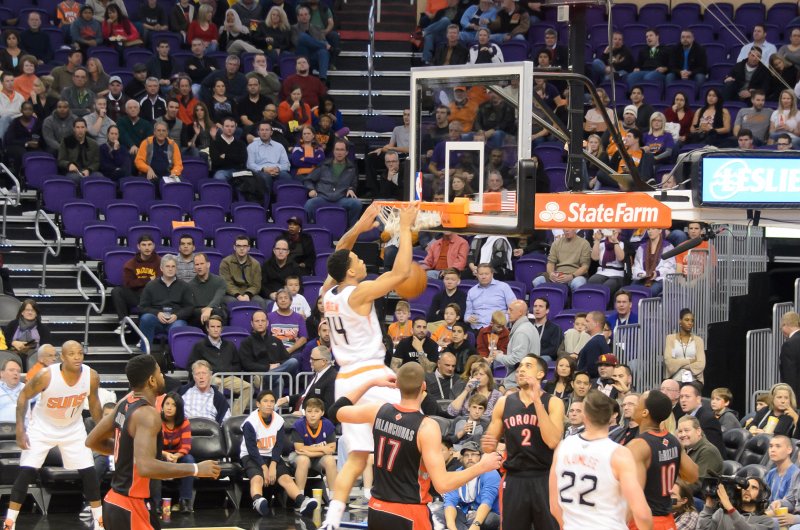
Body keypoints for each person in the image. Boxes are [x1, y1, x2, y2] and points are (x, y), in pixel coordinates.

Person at [317, 203, 418, 530]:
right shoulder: (358, 294)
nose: (362, 260)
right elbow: (401, 274)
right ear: (350, 271)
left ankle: (332, 519)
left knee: (359, 456)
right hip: (374, 378)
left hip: (345, 380)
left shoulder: (326, 293)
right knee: (409, 439)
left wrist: (360, 225)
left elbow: (340, 250)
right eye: (358, 260)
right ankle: (416, 507)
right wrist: (404, 227)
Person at [330, 362, 503, 530]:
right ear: (424, 386)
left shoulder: (378, 411)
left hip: (377, 508)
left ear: (397, 385)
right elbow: (442, 484)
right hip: (409, 511)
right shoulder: (426, 427)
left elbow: (334, 411)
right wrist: (481, 467)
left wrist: (371, 383)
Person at [85, 355, 220, 530]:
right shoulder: (147, 414)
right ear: (151, 380)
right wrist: (195, 469)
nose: (162, 376)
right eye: (159, 372)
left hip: (119, 502)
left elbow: (92, 441)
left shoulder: (124, 404)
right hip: (129, 506)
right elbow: (146, 467)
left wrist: (129, 452)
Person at [4, 341, 104, 530]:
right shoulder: (46, 375)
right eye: (72, 354)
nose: (77, 357)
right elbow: (23, 396)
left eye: (80, 353)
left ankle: (99, 522)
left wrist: (101, 431)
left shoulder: (91, 376)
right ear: (62, 357)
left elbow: (95, 404)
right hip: (42, 427)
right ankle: (10, 521)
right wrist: (20, 429)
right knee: (27, 470)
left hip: (73, 428)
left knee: (88, 471)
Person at [482, 354, 564, 530]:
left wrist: (536, 400)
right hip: (515, 478)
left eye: (528, 366)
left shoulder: (553, 402)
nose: (521, 370)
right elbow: (489, 445)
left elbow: (552, 441)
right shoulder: (504, 402)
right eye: (520, 367)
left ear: (541, 374)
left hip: (545, 477)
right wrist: (488, 444)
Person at [551, 390, 653, 530]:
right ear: (611, 416)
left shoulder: (562, 447)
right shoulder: (619, 454)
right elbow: (641, 513)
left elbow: (554, 506)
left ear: (585, 416)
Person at [627, 390, 699, 530]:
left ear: (645, 413)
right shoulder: (673, 440)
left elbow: (635, 497)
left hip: (644, 521)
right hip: (667, 520)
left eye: (638, 403)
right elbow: (693, 475)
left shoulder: (638, 446)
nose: (634, 406)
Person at [240, 390, 319, 517]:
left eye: (272, 401)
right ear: (258, 404)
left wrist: (272, 465)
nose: (269, 404)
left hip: (272, 456)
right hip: (251, 456)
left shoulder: (279, 420)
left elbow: (278, 446)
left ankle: (302, 502)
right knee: (257, 478)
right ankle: (258, 501)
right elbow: (251, 449)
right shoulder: (250, 422)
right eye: (265, 401)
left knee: (286, 478)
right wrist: (264, 467)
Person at [186, 315, 252, 415]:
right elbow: (191, 365)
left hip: (229, 377)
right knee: (216, 382)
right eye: (212, 327)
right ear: (207, 329)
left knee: (248, 387)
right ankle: (218, 414)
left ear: (222, 328)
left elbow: (237, 364)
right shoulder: (199, 346)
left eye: (218, 327)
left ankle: (233, 416)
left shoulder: (230, 345)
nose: (216, 329)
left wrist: (228, 371)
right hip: (210, 377)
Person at [437, 440, 500, 530]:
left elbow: (487, 502)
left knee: (490, 519)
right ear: (462, 458)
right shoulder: (458, 473)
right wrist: (452, 526)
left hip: (486, 514)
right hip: (465, 515)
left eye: (474, 454)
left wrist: (476, 524)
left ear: (481, 457)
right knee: (440, 512)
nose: (470, 458)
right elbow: (450, 501)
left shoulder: (490, 473)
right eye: (466, 455)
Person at [150, 392, 195, 514]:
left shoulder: (184, 422)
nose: (169, 407)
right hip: (159, 454)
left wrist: (176, 456)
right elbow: (152, 445)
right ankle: (156, 503)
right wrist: (165, 455)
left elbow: (186, 446)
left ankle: (185, 501)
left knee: (189, 460)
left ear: (178, 408)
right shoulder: (156, 420)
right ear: (162, 406)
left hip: (177, 456)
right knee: (154, 459)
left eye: (173, 405)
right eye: (167, 404)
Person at [137, 255, 192, 351]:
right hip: (156, 320)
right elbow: (142, 307)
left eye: (173, 266)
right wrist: (157, 313)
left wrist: (177, 315)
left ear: (176, 268)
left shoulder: (184, 286)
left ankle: (175, 361)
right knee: (146, 318)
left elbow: (189, 307)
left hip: (175, 320)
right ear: (161, 268)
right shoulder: (151, 285)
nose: (170, 269)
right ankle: (145, 355)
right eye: (167, 266)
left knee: (179, 326)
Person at [303, 139, 361, 227]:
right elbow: (308, 180)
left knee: (357, 204)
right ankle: (312, 227)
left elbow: (353, 183)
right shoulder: (324, 165)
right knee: (309, 204)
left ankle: (349, 229)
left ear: (346, 152)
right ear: (333, 151)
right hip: (322, 197)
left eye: (342, 150)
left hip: (341, 199)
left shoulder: (352, 168)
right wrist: (311, 189)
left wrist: (351, 189)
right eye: (337, 149)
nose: (339, 152)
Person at [111, 235, 161, 333]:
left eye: (150, 244)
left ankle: (143, 330)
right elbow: (128, 284)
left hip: (153, 297)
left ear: (154, 246)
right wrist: (148, 280)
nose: (147, 247)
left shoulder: (160, 261)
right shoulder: (131, 264)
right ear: (139, 247)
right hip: (136, 295)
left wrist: (140, 282)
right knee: (117, 291)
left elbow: (160, 282)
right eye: (144, 245)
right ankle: (123, 323)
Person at [289, 396, 337, 494]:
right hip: (297, 456)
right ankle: (300, 497)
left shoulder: (327, 424)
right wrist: (323, 448)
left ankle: (333, 497)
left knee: (330, 460)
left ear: (322, 413)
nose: (312, 415)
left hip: (317, 458)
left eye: (316, 411)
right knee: (303, 460)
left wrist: (310, 453)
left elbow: (331, 449)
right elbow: (299, 449)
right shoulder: (299, 425)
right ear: (304, 412)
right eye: (309, 411)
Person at [491, 300, 538, 388]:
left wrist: (498, 356)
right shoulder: (529, 327)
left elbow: (517, 360)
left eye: (511, 310)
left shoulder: (521, 331)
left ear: (520, 312)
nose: (508, 312)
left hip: (517, 383)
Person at [699, 476, 774, 530]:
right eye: (745, 486)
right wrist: (708, 506)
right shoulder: (722, 512)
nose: (747, 489)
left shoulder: (766, 521)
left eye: (754, 487)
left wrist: (729, 507)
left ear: (763, 495)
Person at [278, 345, 336, 414]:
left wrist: (304, 413)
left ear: (323, 361)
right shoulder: (317, 373)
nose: (310, 361)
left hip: (311, 420)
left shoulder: (332, 378)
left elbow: (328, 406)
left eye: (313, 359)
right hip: (297, 415)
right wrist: (287, 399)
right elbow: (305, 395)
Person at [676, 415, 723, 496]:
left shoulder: (708, 451)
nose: (683, 434)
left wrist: (672, 489)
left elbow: (697, 485)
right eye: (680, 431)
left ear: (698, 431)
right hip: (684, 494)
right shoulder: (685, 449)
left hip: (701, 499)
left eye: (686, 430)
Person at [219, 235, 266, 308]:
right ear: (234, 247)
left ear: (248, 248)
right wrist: (238, 295)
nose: (241, 248)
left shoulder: (255, 264)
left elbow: (256, 285)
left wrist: (248, 294)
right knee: (231, 302)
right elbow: (226, 283)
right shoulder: (225, 262)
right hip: (231, 294)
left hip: (250, 294)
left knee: (261, 302)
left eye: (244, 246)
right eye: (238, 246)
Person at [3, 299, 52, 369]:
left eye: (33, 310)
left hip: (35, 358)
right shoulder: (12, 325)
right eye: (27, 310)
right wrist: (13, 343)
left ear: (36, 313)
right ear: (22, 312)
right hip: (13, 357)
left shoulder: (44, 329)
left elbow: (46, 347)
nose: (30, 312)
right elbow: (4, 342)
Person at [678, 382, 726, 454]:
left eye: (687, 396)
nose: (683, 400)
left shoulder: (708, 420)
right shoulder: (683, 418)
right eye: (681, 397)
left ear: (698, 399)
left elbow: (711, 451)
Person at [178, 360, 231, 424]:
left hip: (210, 432)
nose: (201, 377)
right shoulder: (182, 392)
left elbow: (227, 422)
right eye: (197, 374)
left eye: (204, 373)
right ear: (193, 376)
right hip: (187, 431)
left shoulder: (218, 398)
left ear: (210, 375)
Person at [464, 264, 515, 330]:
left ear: (492, 274)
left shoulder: (503, 287)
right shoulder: (472, 291)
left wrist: (501, 321)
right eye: (481, 274)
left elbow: (513, 309)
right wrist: (468, 318)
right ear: (477, 275)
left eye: (486, 274)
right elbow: (467, 314)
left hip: (498, 327)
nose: (483, 276)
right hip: (477, 328)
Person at [246, 120, 292, 191]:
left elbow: (286, 164)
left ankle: (284, 200)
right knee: (265, 177)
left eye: (267, 130)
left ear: (271, 132)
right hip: (261, 172)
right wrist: (263, 169)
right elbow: (249, 164)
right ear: (258, 133)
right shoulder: (251, 147)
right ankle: (267, 200)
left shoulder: (279, 146)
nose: (264, 132)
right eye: (262, 130)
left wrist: (277, 168)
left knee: (286, 176)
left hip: (277, 171)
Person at [664, 308, 706, 384]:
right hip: (674, 379)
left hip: (694, 380)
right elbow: (669, 362)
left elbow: (701, 364)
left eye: (692, 320)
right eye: (687, 320)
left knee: (689, 390)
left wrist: (679, 364)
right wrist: (690, 361)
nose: (690, 323)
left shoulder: (699, 340)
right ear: (680, 321)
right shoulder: (670, 338)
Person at [57, 118, 104, 184]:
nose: (80, 130)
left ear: (86, 129)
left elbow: (96, 162)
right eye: (77, 127)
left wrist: (89, 170)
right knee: (74, 178)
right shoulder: (66, 141)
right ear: (74, 129)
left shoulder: (93, 144)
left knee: (99, 177)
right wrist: (68, 164)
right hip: (73, 172)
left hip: (88, 171)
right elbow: (60, 161)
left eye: (82, 127)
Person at [632, 228, 676, 297]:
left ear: (660, 230)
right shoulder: (642, 247)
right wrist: (640, 274)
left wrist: (657, 273)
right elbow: (636, 266)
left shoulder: (668, 247)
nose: (650, 231)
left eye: (653, 229)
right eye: (648, 229)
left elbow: (670, 267)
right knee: (630, 292)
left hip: (660, 278)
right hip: (643, 278)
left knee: (650, 292)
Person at [268, 289, 308, 356]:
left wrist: (289, 350)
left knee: (294, 361)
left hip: (293, 352)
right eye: (280, 298)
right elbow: (266, 337)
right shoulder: (269, 317)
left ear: (291, 301)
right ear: (276, 302)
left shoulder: (299, 317)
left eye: (286, 298)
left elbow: (303, 338)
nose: (283, 300)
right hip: (274, 351)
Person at [577, 311, 611, 378]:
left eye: (587, 321)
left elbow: (592, 369)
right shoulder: (599, 340)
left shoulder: (595, 343)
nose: (584, 323)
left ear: (596, 323)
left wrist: (578, 374)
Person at [764, 435, 798, 502]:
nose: (772, 450)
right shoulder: (771, 473)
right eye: (771, 446)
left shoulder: (796, 475)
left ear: (789, 450)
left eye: (778, 446)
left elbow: (790, 504)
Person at [780, 312, 800, 398]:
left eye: (781, 327)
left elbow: (790, 375)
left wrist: (790, 399)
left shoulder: (789, 344)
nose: (781, 330)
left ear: (785, 325)